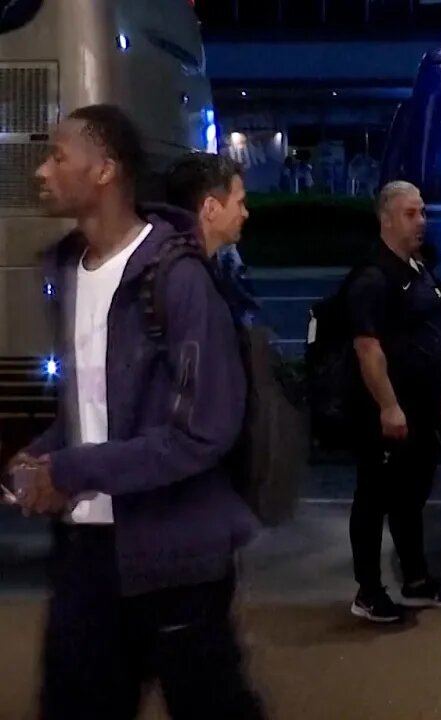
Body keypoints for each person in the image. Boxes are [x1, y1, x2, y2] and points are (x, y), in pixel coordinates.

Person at [12, 103, 264, 719]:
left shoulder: (176, 278)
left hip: (176, 560)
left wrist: (68, 471)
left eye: (58, 156)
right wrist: (40, 456)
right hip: (86, 558)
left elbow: (202, 432)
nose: (42, 171)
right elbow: (96, 410)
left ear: (105, 171)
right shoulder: (66, 271)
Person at [345, 180, 441, 624]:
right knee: (374, 496)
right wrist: (388, 406)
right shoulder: (373, 277)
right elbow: (367, 348)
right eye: (412, 214)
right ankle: (368, 591)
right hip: (387, 411)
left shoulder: (416, 269)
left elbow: (429, 334)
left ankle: (416, 581)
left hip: (422, 407)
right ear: (387, 219)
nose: (423, 221)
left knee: (409, 495)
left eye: (423, 212)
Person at [163, 152, 255, 325]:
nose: (245, 213)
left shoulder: (204, 266)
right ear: (211, 208)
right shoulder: (186, 280)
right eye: (239, 203)